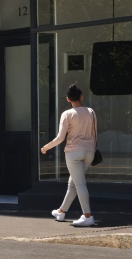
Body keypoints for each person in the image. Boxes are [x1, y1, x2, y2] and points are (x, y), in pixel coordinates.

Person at [41, 83, 99, 228]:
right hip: (89, 152)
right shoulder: (91, 111)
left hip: (73, 153)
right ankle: (61, 211)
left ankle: (88, 216)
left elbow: (60, 138)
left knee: (79, 184)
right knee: (73, 184)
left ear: (68, 99)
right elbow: (95, 134)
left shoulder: (67, 114)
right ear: (81, 96)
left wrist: (45, 147)